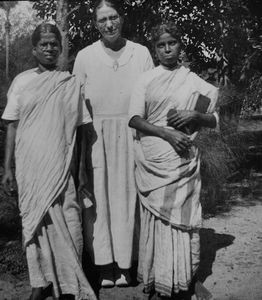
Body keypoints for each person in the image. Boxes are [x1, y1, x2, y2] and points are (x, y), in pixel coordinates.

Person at [1, 23, 97, 300]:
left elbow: (81, 132)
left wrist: (80, 172)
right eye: (43, 44)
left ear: (60, 47)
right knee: (34, 222)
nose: (49, 48)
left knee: (69, 220)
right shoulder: (22, 82)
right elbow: (13, 126)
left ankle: (71, 283)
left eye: (54, 43)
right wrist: (8, 168)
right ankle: (39, 283)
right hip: (30, 165)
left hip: (61, 166)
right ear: (34, 49)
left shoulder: (70, 83)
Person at [128, 21, 218, 300]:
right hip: (154, 159)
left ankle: (189, 278)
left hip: (183, 160)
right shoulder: (146, 79)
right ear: (155, 50)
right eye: (161, 45)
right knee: (158, 220)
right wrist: (165, 133)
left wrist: (195, 117)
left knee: (186, 220)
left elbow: (213, 118)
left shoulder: (193, 81)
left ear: (180, 45)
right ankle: (159, 278)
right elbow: (133, 119)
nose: (168, 49)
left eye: (172, 43)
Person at [73, 0, 154, 288]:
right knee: (100, 202)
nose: (109, 24)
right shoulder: (84, 57)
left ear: (122, 18)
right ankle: (104, 267)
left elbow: (151, 99)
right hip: (96, 138)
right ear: (95, 24)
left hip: (132, 134)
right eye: (103, 19)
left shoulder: (141, 53)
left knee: (127, 201)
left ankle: (126, 266)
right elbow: (76, 109)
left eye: (114, 17)